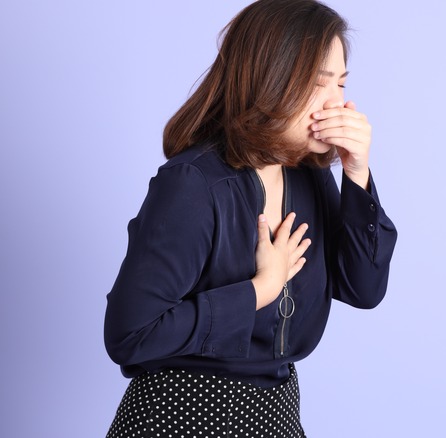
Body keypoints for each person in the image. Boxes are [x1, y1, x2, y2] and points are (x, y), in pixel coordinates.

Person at [103, 1, 397, 437]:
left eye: (341, 83)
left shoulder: (309, 176)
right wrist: (260, 289)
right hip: (179, 420)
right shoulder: (193, 184)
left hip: (274, 416)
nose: (338, 103)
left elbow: (363, 289)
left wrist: (357, 173)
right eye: (320, 83)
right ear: (271, 80)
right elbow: (130, 334)